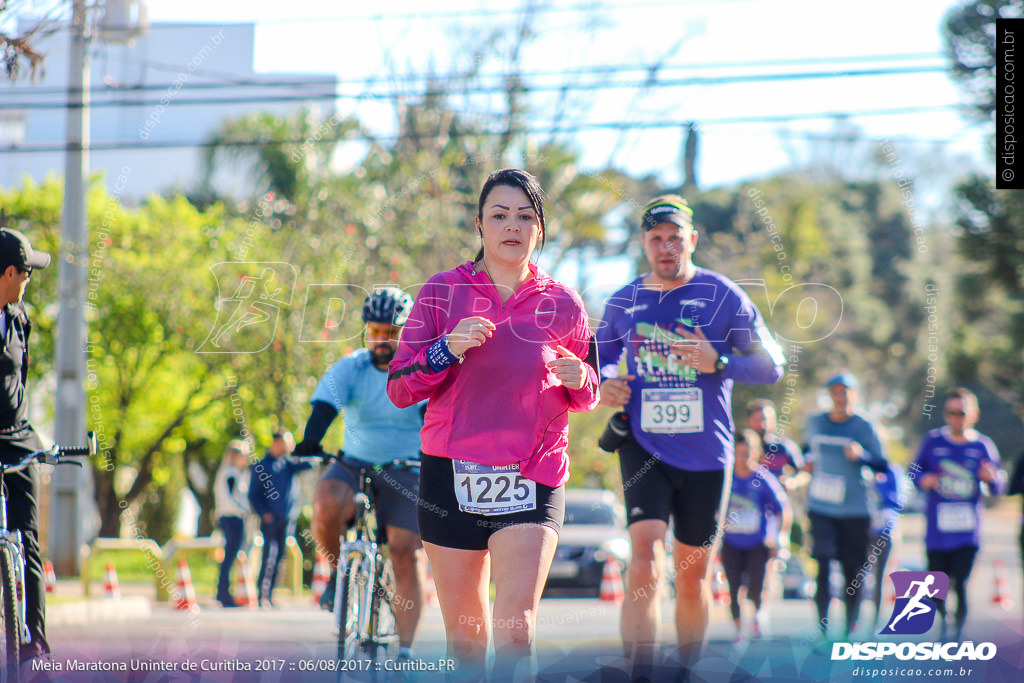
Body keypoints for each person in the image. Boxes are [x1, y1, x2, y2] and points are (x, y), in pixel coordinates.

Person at [387, 168, 599, 680]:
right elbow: (400, 387)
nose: (513, 226)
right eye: (499, 215)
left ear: (540, 230)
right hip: (450, 476)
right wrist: (446, 348)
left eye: (526, 217)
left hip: (533, 473)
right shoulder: (441, 293)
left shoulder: (565, 304)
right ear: (479, 225)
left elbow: (590, 391)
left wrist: (579, 377)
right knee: (466, 640)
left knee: (516, 629)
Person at [595, 195, 785, 674]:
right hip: (644, 444)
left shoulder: (724, 296)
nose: (665, 248)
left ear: (692, 240)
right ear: (643, 243)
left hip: (707, 455)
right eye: (656, 239)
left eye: (674, 238)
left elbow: (772, 366)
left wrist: (719, 362)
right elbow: (592, 362)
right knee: (643, 558)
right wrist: (604, 383)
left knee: (693, 571)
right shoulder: (623, 301)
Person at [296, 287, 427, 663]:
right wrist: (310, 439)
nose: (382, 340)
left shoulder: (420, 367)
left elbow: (437, 417)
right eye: (375, 331)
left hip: (407, 467)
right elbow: (324, 406)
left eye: (391, 332)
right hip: (355, 462)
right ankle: (339, 573)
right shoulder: (351, 366)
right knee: (325, 499)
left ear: (406, 331)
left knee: (405, 552)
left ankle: (405, 650)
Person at [912, 387, 1004, 640]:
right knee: (937, 585)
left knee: (961, 582)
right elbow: (912, 472)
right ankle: (943, 624)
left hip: (967, 532)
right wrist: (924, 479)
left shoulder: (982, 446)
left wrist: (991, 479)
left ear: (973, 414)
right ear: (945, 414)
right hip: (937, 532)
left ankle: (957, 634)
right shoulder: (932, 442)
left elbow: (1000, 484)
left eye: (961, 412)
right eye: (951, 413)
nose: (956, 418)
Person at [803, 373, 888, 640]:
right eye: (835, 392)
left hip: (855, 510)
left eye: (845, 392)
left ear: (854, 395)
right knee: (824, 563)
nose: (840, 398)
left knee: (853, 571)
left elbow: (882, 464)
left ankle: (849, 629)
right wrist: (806, 462)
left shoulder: (864, 425)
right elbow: (807, 450)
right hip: (821, 507)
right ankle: (823, 629)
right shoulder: (815, 422)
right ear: (829, 395)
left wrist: (860, 455)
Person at [0, 227, 51, 664]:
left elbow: (21, 384)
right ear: (8, 272)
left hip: (18, 440)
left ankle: (36, 641)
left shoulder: (20, 317)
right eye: (28, 272)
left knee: (28, 540)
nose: (31, 278)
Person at [720, 430, 791, 641]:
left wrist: (781, 537)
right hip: (730, 542)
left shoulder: (762, 478)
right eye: (738, 453)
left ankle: (759, 616)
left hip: (757, 543)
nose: (743, 458)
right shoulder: (726, 477)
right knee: (733, 587)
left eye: (747, 453)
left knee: (755, 587)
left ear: (756, 453)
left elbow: (782, 509)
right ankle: (739, 629)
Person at [247, 431, 311, 607]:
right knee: (269, 555)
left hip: (286, 519)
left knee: (280, 556)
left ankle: (270, 594)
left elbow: (309, 464)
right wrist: (263, 512)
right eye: (286, 443)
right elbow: (253, 494)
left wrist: (298, 451)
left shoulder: (287, 465)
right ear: (276, 442)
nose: (288, 447)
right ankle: (262, 593)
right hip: (270, 520)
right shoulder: (262, 465)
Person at [213, 439, 252, 608]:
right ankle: (223, 592)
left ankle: (223, 591)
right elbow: (232, 498)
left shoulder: (230, 473)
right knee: (230, 555)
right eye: (243, 455)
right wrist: (243, 510)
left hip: (229, 516)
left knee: (229, 555)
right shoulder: (231, 474)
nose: (246, 459)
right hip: (232, 517)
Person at [866, 463, 903, 628]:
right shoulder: (860, 467)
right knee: (857, 575)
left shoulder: (892, 471)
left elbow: (897, 501)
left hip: (884, 531)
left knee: (879, 576)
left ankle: (875, 622)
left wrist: (878, 485)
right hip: (861, 528)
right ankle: (854, 620)